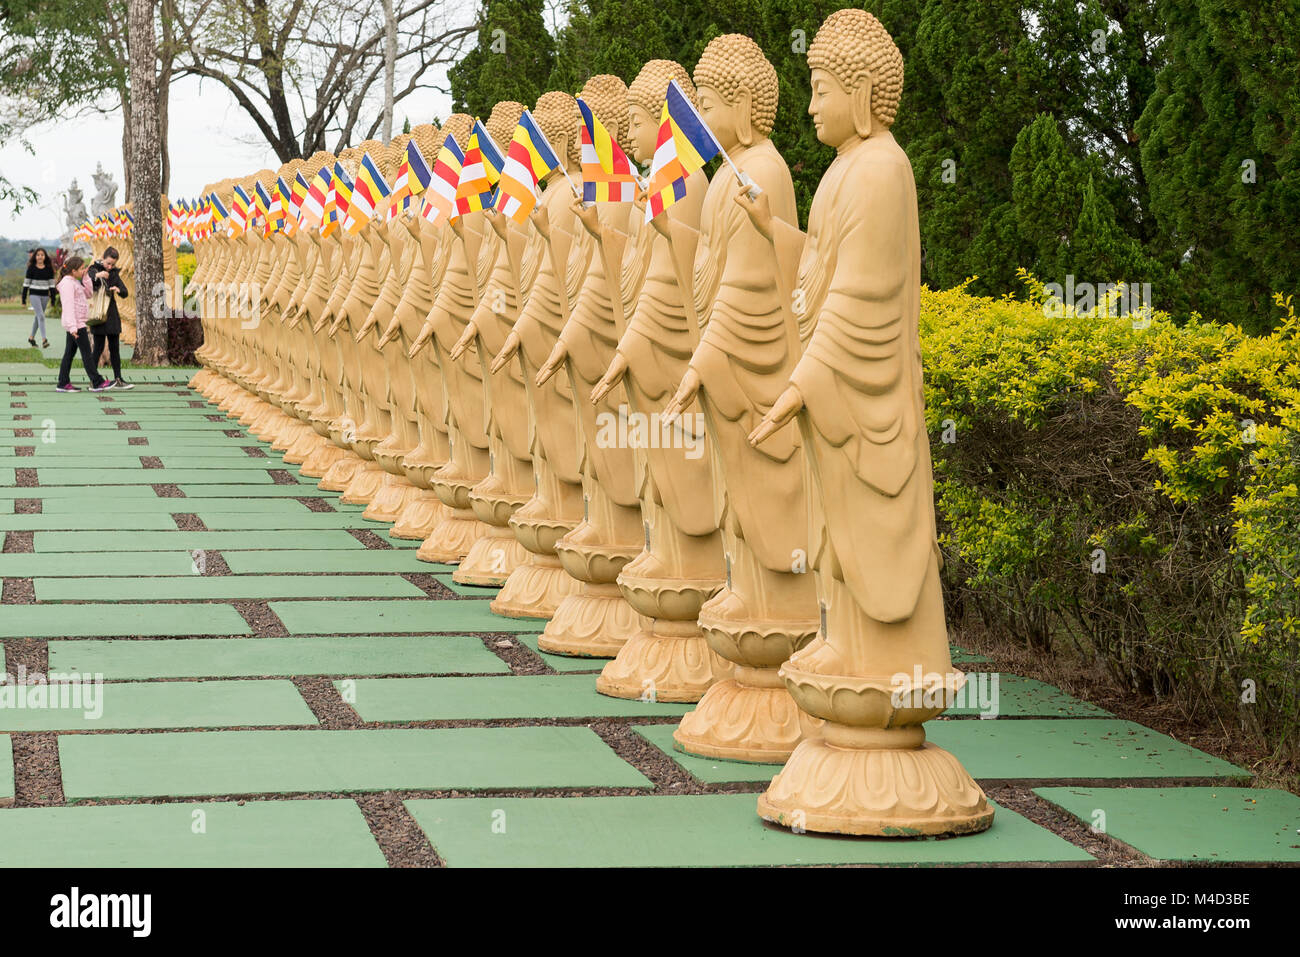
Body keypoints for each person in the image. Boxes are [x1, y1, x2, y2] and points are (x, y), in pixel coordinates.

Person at [54, 256, 111, 393]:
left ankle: (63, 382)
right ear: (73, 271)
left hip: (77, 323)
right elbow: (68, 307)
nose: (83, 270)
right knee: (86, 354)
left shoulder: (75, 281)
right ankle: (97, 381)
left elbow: (89, 293)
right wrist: (73, 327)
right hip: (76, 325)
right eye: (81, 269)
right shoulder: (67, 284)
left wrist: (85, 278)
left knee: (69, 353)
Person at [88, 247, 133, 389]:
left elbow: (125, 291)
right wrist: (98, 275)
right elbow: (88, 282)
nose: (110, 267)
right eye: (108, 263)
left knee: (115, 348)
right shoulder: (94, 269)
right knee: (98, 347)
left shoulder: (113, 273)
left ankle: (118, 378)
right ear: (103, 258)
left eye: (113, 264)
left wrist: (118, 290)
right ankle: (94, 380)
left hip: (111, 314)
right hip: (98, 313)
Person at [21, 247, 55, 348]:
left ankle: (31, 338)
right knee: (41, 316)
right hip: (34, 295)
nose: (40, 257)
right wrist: (23, 300)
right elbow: (26, 285)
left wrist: (53, 299)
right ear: (35, 257)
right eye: (38, 255)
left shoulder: (49, 269)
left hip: (45, 296)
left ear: (45, 257)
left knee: (38, 317)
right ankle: (44, 340)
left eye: (42, 255)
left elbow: (52, 286)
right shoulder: (31, 268)